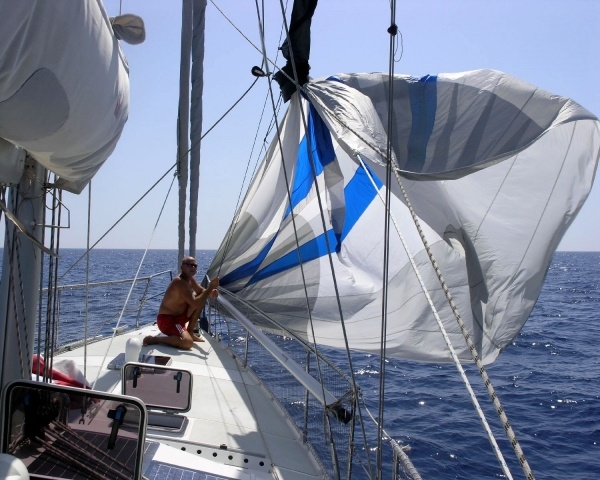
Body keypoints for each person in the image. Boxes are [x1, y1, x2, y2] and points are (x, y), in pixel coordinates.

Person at [143, 257, 219, 350]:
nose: (193, 267)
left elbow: (200, 291)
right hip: (169, 321)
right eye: (190, 265)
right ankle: (155, 339)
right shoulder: (179, 282)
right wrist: (210, 288)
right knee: (187, 343)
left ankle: (190, 331)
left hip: (180, 316)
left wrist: (210, 292)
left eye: (195, 266)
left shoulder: (190, 279)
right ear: (182, 267)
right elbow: (195, 304)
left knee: (201, 297)